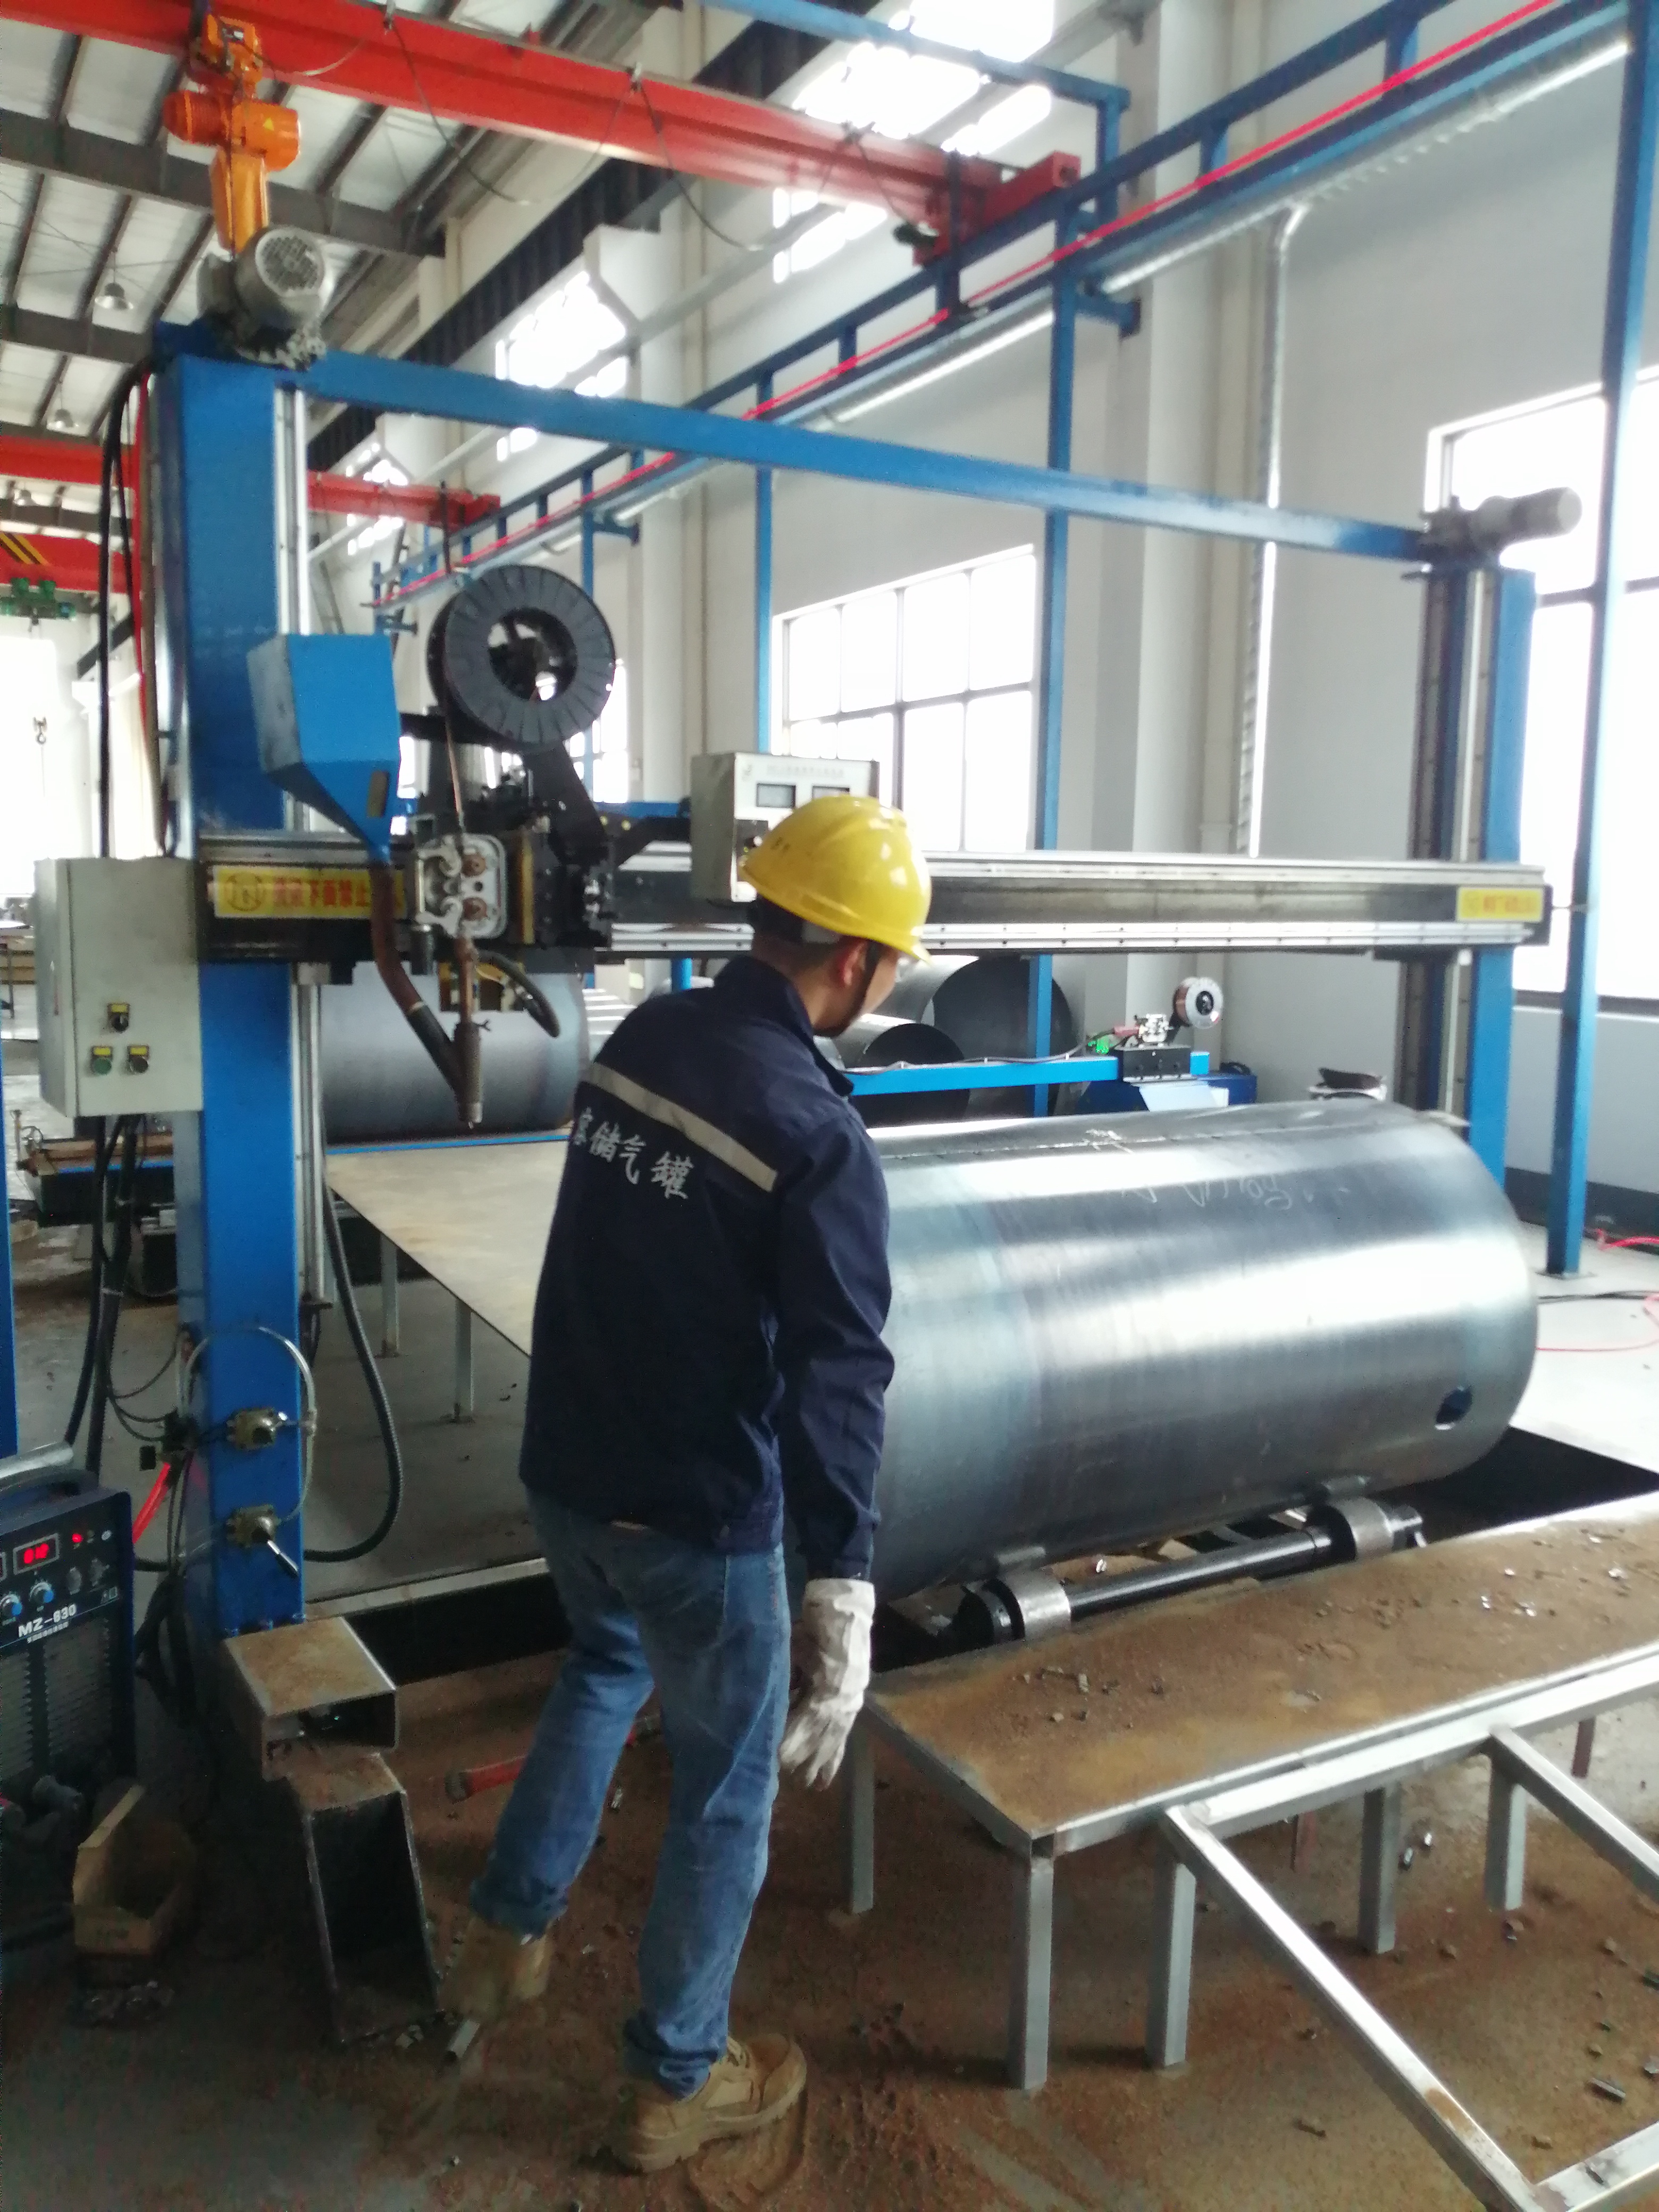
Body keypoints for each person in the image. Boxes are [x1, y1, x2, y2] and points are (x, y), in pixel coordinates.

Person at [442, 793, 931, 2175]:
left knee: (604, 1667)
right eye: (891, 961)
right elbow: (841, 1372)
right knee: (725, 1786)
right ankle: (676, 2077)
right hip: (695, 1515)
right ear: (856, 962)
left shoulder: (645, 1038)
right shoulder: (816, 1132)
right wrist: (843, 1579)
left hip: (568, 1470)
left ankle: (505, 1935)